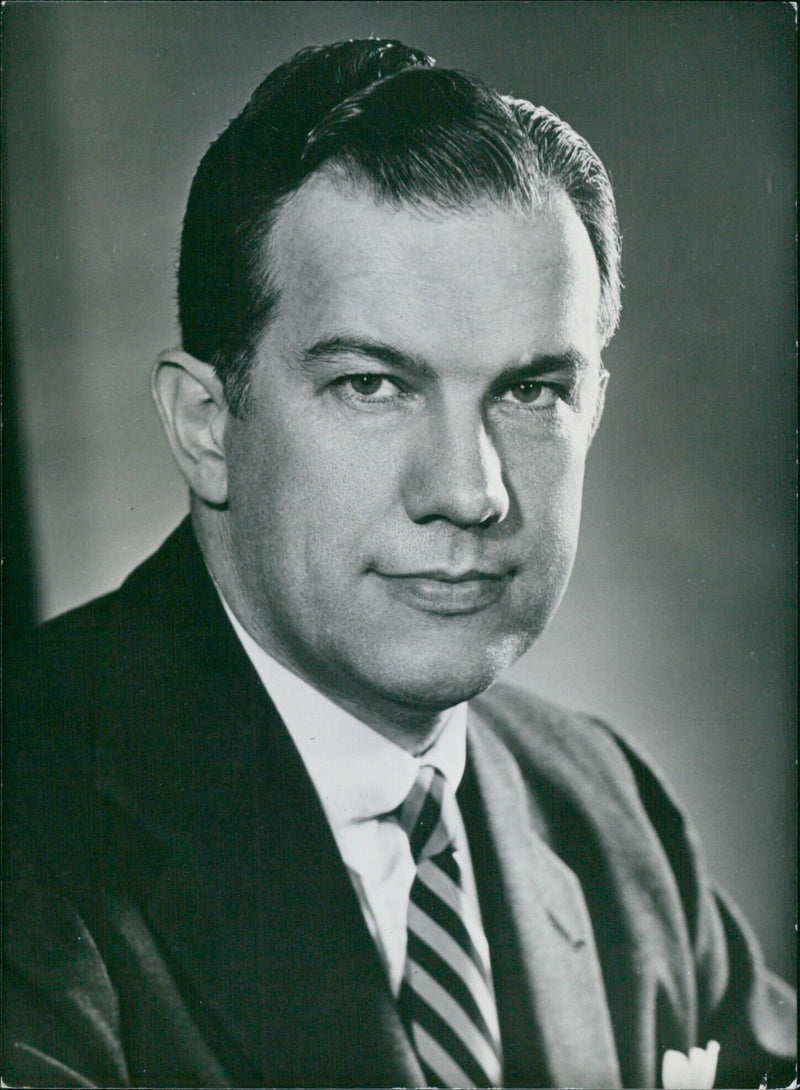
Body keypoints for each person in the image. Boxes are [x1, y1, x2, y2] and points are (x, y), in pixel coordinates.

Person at [2, 38, 795, 1090]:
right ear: (204, 424)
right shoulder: (31, 821)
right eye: (373, 385)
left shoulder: (603, 808)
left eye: (529, 391)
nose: (469, 491)